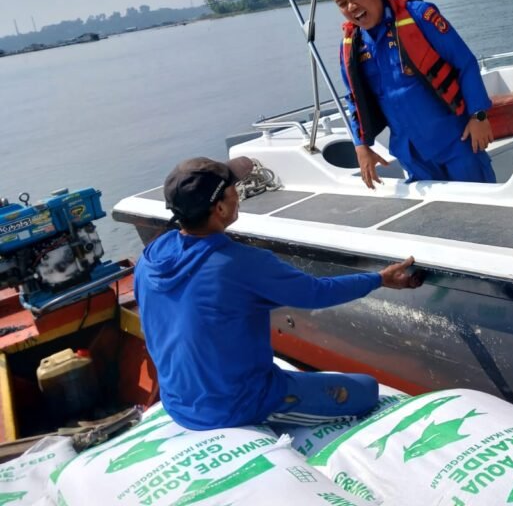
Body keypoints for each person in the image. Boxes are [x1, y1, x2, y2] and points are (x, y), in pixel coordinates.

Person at [134, 155, 423, 430]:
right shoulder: (242, 263)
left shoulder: (150, 257)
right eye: (233, 187)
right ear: (219, 209)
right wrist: (379, 279)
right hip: (235, 405)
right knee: (366, 390)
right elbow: (317, 294)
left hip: (178, 402)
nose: (240, 191)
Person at [326, 0, 496, 189]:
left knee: (484, 213)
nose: (351, 7)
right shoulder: (351, 47)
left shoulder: (419, 16)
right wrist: (361, 146)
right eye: (342, 3)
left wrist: (479, 116)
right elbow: (353, 99)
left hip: (458, 143)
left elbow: (465, 63)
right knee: (439, 220)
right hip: (412, 157)